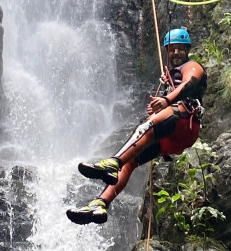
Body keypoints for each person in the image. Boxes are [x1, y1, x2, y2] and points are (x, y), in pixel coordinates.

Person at [66, 27, 207, 225]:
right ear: (167, 51)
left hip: (185, 120)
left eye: (180, 49)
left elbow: (190, 83)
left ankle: (112, 162)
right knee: (131, 162)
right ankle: (101, 204)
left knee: (144, 128)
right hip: (172, 139)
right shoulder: (170, 76)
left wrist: (166, 100)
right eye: (171, 49)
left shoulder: (192, 66)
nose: (176, 53)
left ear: (187, 49)